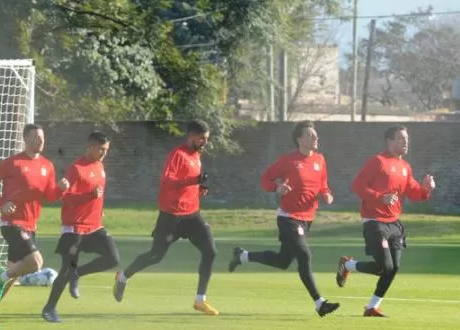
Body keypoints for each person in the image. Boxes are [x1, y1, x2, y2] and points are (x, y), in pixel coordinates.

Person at [227, 121, 340, 317]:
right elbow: (265, 179)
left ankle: (242, 256)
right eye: (311, 135)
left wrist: (327, 194)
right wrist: (276, 188)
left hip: (307, 218)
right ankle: (319, 303)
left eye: (316, 135)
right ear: (300, 139)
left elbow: (323, 184)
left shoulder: (320, 159)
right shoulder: (288, 160)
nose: (316, 138)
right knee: (304, 256)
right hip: (288, 217)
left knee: (283, 261)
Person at [112, 120, 219, 315]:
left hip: (192, 214)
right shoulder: (177, 155)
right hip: (172, 216)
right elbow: (169, 181)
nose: (205, 142)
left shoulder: (196, 155)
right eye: (202, 138)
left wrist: (200, 187)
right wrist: (193, 180)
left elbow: (189, 183)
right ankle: (123, 276)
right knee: (155, 256)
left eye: (207, 139)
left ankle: (200, 300)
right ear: (192, 136)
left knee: (210, 251)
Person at [336, 125, 435, 317]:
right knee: (384, 267)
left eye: (406, 138)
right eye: (400, 139)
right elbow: (357, 186)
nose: (405, 142)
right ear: (389, 141)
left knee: (394, 268)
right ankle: (347, 265)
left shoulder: (405, 167)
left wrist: (426, 189)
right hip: (375, 222)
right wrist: (380, 197)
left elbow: (414, 192)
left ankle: (372, 307)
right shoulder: (377, 162)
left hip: (394, 224)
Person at [0, 123, 66, 329]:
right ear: (25, 139)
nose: (41, 140)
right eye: (36, 137)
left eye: (42, 137)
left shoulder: (47, 166)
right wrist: (2, 203)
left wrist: (60, 189)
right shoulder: (13, 163)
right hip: (12, 223)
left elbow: (48, 195)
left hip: (30, 224)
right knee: (36, 263)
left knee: (15, 274)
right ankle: (1, 275)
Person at [41, 131, 120, 323]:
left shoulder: (100, 166)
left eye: (106, 150)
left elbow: (98, 193)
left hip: (94, 227)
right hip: (74, 227)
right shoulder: (76, 169)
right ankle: (49, 309)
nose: (103, 153)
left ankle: (78, 275)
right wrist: (89, 197)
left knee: (112, 259)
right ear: (90, 146)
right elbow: (66, 198)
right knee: (65, 270)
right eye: (100, 149)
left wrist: (98, 209)